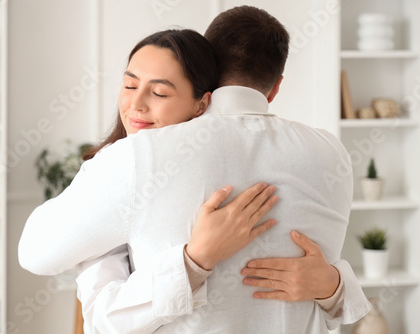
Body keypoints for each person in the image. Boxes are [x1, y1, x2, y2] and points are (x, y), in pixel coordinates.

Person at [19, 7, 371, 334]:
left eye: (157, 90)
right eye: (129, 85)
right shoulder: (332, 153)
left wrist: (190, 261)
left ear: (209, 79)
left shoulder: (139, 156)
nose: (137, 102)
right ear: (276, 85)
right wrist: (333, 284)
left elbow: (36, 254)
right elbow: (330, 307)